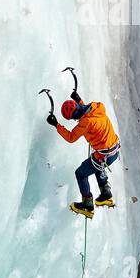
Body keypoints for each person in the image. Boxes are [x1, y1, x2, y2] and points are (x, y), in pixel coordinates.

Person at [47, 88, 120, 218]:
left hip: (104, 156)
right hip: (114, 151)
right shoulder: (97, 107)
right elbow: (87, 111)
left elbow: (71, 137)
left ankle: (87, 205)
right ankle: (106, 194)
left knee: (80, 173)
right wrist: (79, 100)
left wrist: (56, 125)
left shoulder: (85, 123)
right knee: (96, 164)